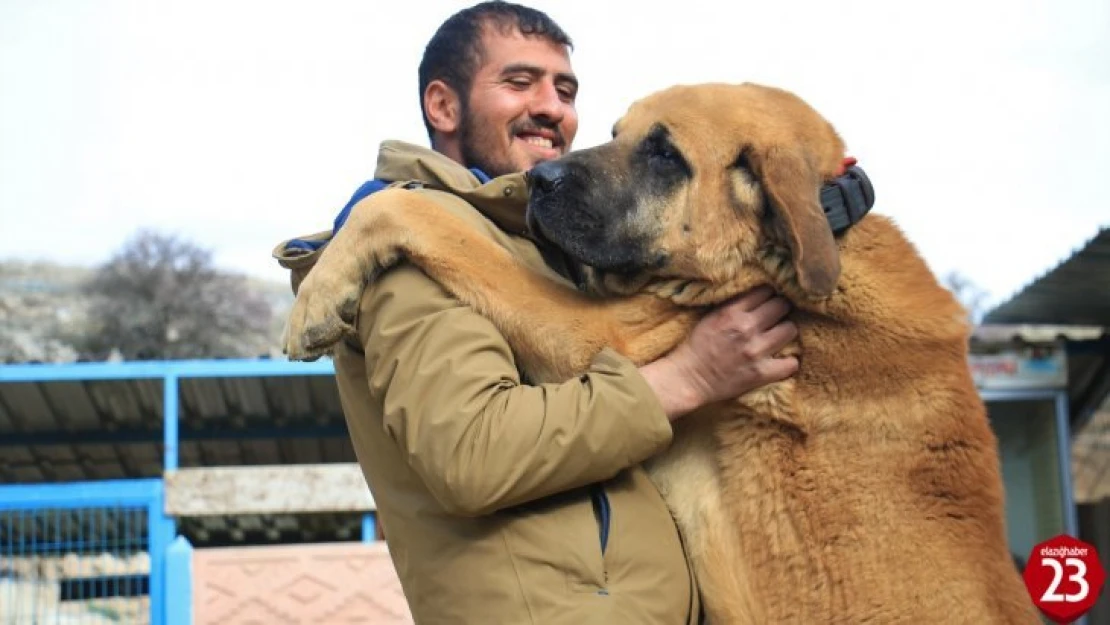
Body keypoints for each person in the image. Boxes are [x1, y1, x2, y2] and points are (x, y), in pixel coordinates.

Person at [272, 2, 798, 623]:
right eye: (519, 83)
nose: (551, 106)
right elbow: (474, 451)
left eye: (565, 89)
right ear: (443, 106)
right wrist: (691, 378)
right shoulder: (412, 245)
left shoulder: (529, 249)